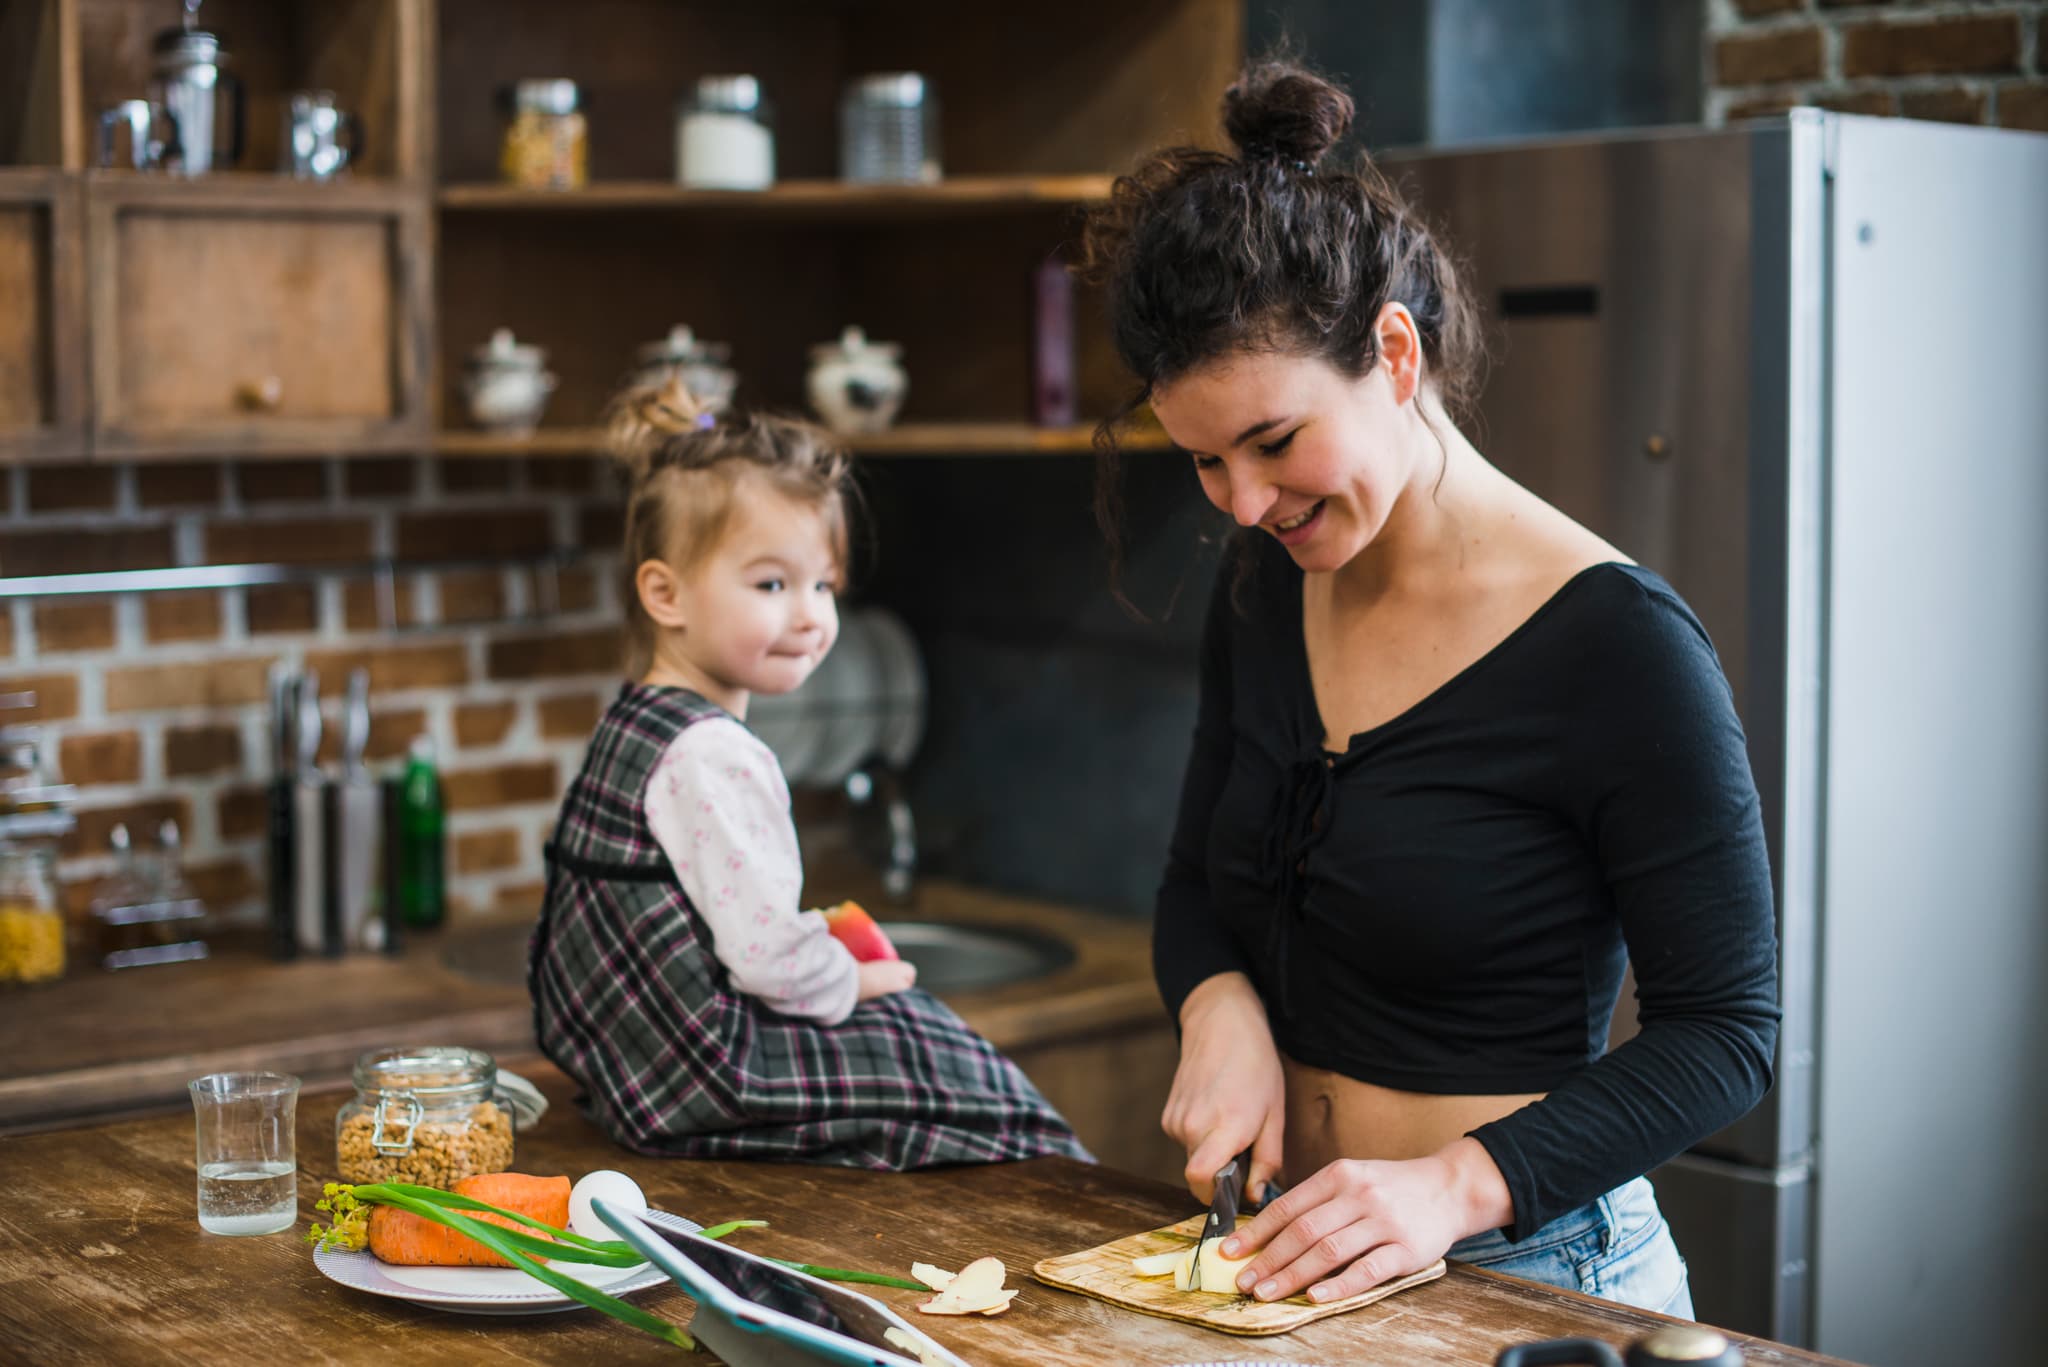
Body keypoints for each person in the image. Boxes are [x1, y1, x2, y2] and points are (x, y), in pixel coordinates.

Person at [1080, 59, 1779, 1317]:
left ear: (1393, 353)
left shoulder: (1618, 644)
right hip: (1286, 1265)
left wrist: (1453, 1184)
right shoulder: (1260, 586)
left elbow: (1723, 1033)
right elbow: (1194, 884)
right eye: (1201, 461)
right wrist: (1216, 1003)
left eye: (1275, 441)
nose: (1242, 502)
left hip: (1534, 1276)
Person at [530, 378, 1086, 1168]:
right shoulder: (716, 752)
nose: (811, 616)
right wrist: (850, 979)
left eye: (823, 584)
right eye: (771, 584)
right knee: (956, 1067)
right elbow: (768, 962)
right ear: (665, 593)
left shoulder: (637, 717)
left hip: (629, 1066)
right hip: (709, 1068)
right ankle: (1071, 1191)